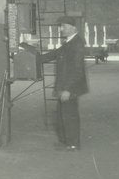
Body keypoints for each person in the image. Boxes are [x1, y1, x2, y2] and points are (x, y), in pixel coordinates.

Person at [38, 14, 89, 151]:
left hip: (70, 87)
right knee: (62, 115)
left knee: (69, 115)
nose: (61, 29)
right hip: (65, 85)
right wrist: (35, 57)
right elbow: (54, 54)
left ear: (73, 28)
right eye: (61, 26)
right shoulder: (68, 42)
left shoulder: (77, 44)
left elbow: (77, 70)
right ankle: (66, 142)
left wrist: (68, 89)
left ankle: (73, 144)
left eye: (63, 26)